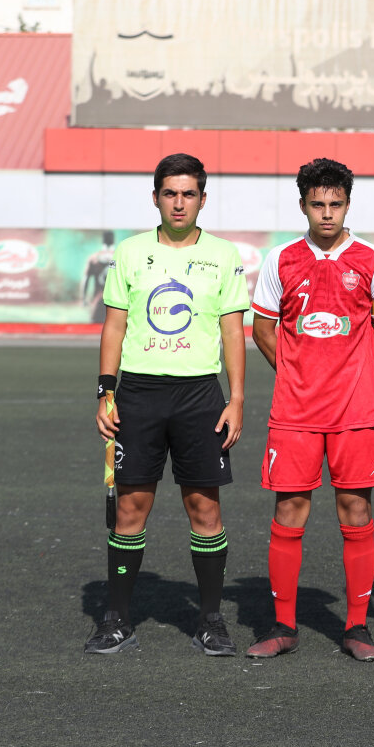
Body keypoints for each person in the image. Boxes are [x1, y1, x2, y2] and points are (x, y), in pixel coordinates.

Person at [87, 153, 248, 656]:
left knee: (204, 507)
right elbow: (115, 325)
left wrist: (236, 398)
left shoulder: (223, 255)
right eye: (170, 193)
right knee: (131, 507)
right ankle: (116, 619)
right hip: (138, 394)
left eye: (188, 194)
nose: (179, 203)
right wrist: (105, 392)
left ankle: (211, 620)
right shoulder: (131, 252)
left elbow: (232, 331)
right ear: (155, 197)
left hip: (200, 395)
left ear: (203, 199)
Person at [247, 158, 374, 662]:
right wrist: (298, 374)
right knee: (289, 510)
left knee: (355, 510)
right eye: (318, 204)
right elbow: (263, 330)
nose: (327, 213)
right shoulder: (281, 260)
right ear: (303, 206)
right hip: (295, 411)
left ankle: (356, 627)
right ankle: (283, 625)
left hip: (354, 412)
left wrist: (354, 378)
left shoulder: (373, 259)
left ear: (348, 204)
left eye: (336, 204)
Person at [81, 231, 116, 324]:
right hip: (115, 303)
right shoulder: (119, 257)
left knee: (96, 327)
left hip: (98, 302)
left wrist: (84, 299)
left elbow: (86, 280)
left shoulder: (94, 258)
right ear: (113, 241)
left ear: (103, 242)